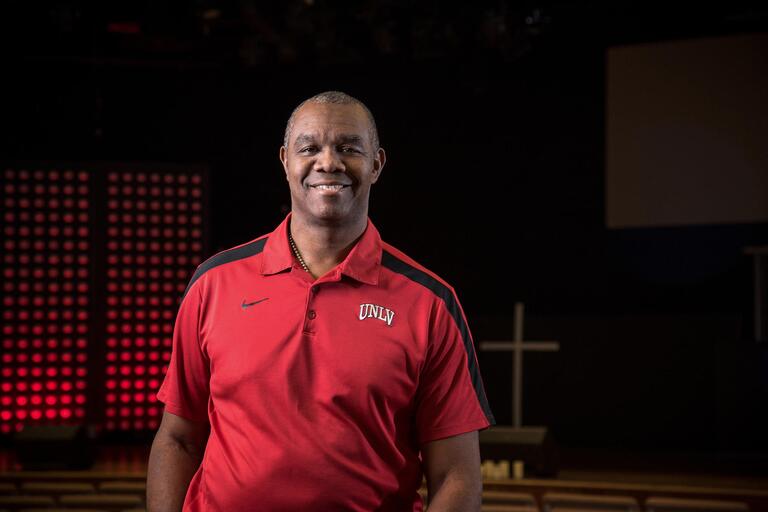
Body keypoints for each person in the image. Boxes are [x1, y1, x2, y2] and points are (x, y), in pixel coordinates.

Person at [147, 91, 495, 511]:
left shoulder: (431, 303)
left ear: (377, 164)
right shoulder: (213, 284)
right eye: (309, 147)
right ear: (285, 162)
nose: (328, 162)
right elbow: (178, 439)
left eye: (349, 148)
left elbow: (456, 476)